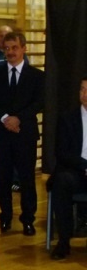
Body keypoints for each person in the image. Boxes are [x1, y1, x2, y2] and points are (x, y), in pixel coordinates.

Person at [0, 32, 44, 235]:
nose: (10, 52)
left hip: (25, 133)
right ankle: (6, 216)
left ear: (24, 48)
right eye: (7, 48)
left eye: (14, 48)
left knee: (27, 178)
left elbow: (39, 102)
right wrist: (5, 118)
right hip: (2, 133)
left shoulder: (36, 75)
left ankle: (28, 219)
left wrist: (18, 118)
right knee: (3, 177)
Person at [48, 76, 87, 259]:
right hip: (76, 171)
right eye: (82, 89)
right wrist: (84, 166)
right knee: (61, 181)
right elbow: (62, 152)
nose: (85, 94)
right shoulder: (67, 118)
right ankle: (63, 241)